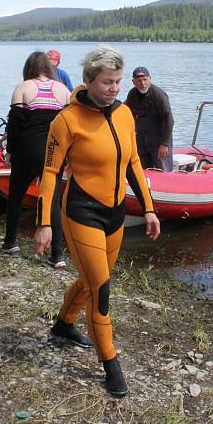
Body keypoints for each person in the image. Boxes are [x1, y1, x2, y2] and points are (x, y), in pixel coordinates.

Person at [34, 46, 161, 397]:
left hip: (115, 211)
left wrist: (149, 209)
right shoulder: (67, 120)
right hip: (81, 210)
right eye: (107, 82)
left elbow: (134, 162)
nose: (114, 88)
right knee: (101, 288)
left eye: (118, 82)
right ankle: (110, 363)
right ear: (88, 80)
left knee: (93, 280)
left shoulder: (124, 114)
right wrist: (45, 222)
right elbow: (49, 172)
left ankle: (63, 325)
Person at [2, 52, 70, 266]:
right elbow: (71, 126)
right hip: (54, 152)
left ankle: (11, 242)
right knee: (53, 201)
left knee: (16, 195)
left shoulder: (23, 87)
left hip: (26, 150)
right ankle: (57, 255)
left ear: (29, 67)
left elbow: (15, 124)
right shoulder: (64, 90)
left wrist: (9, 151)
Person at [124, 66, 174, 171]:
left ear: (150, 79)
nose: (142, 84)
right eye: (139, 81)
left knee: (163, 169)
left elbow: (169, 119)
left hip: (159, 140)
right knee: (142, 170)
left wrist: (164, 144)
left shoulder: (158, 94)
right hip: (142, 140)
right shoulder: (132, 94)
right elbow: (125, 112)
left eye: (145, 79)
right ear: (133, 82)